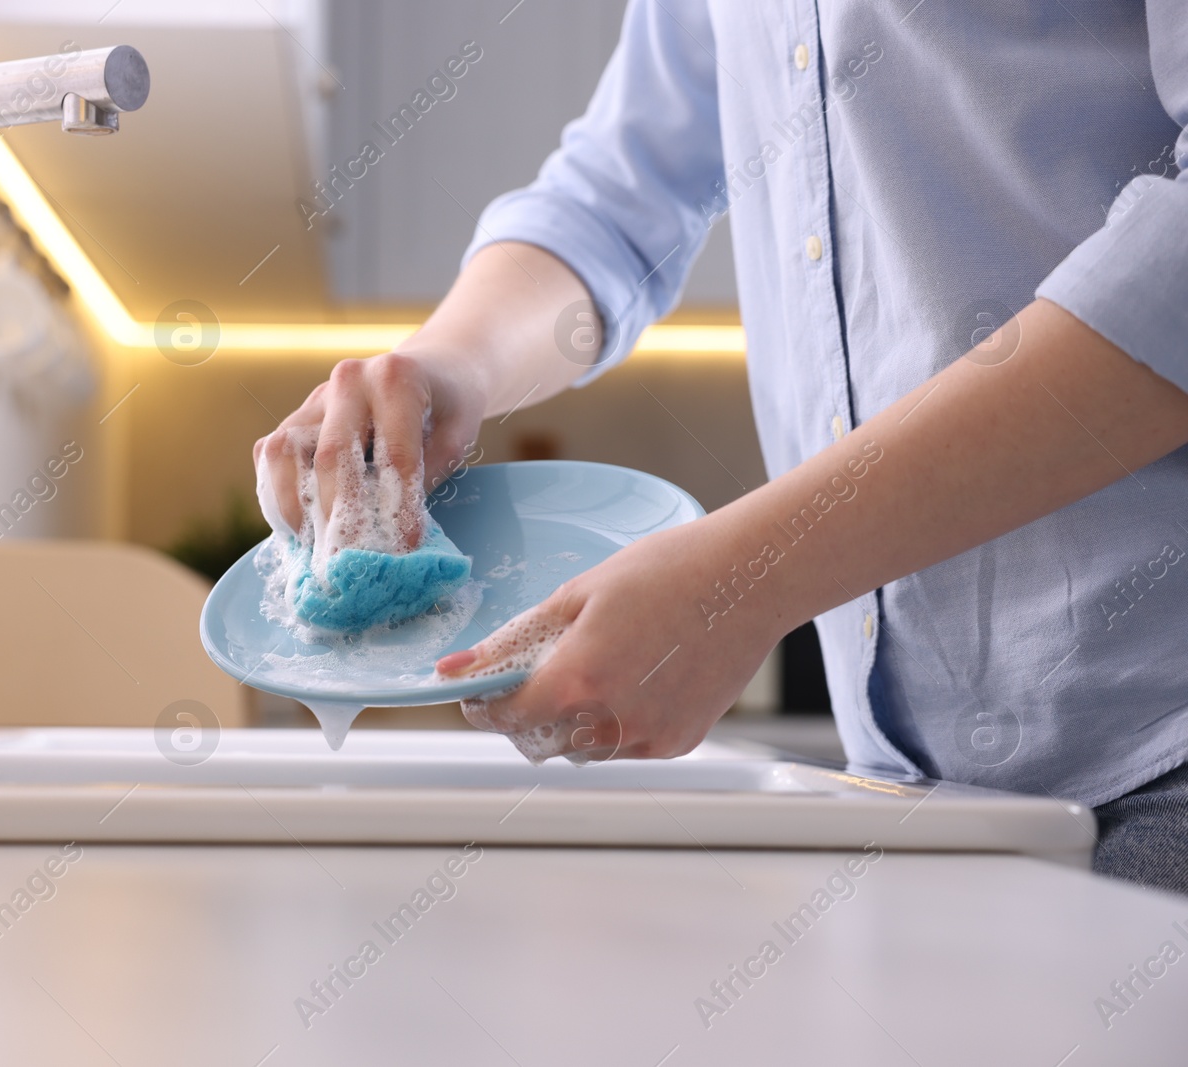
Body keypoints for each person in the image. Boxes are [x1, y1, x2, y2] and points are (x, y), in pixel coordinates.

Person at [254, 1, 1188, 894]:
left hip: (1162, 751)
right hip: (908, 790)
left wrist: (749, 580)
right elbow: (621, 193)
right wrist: (447, 367)